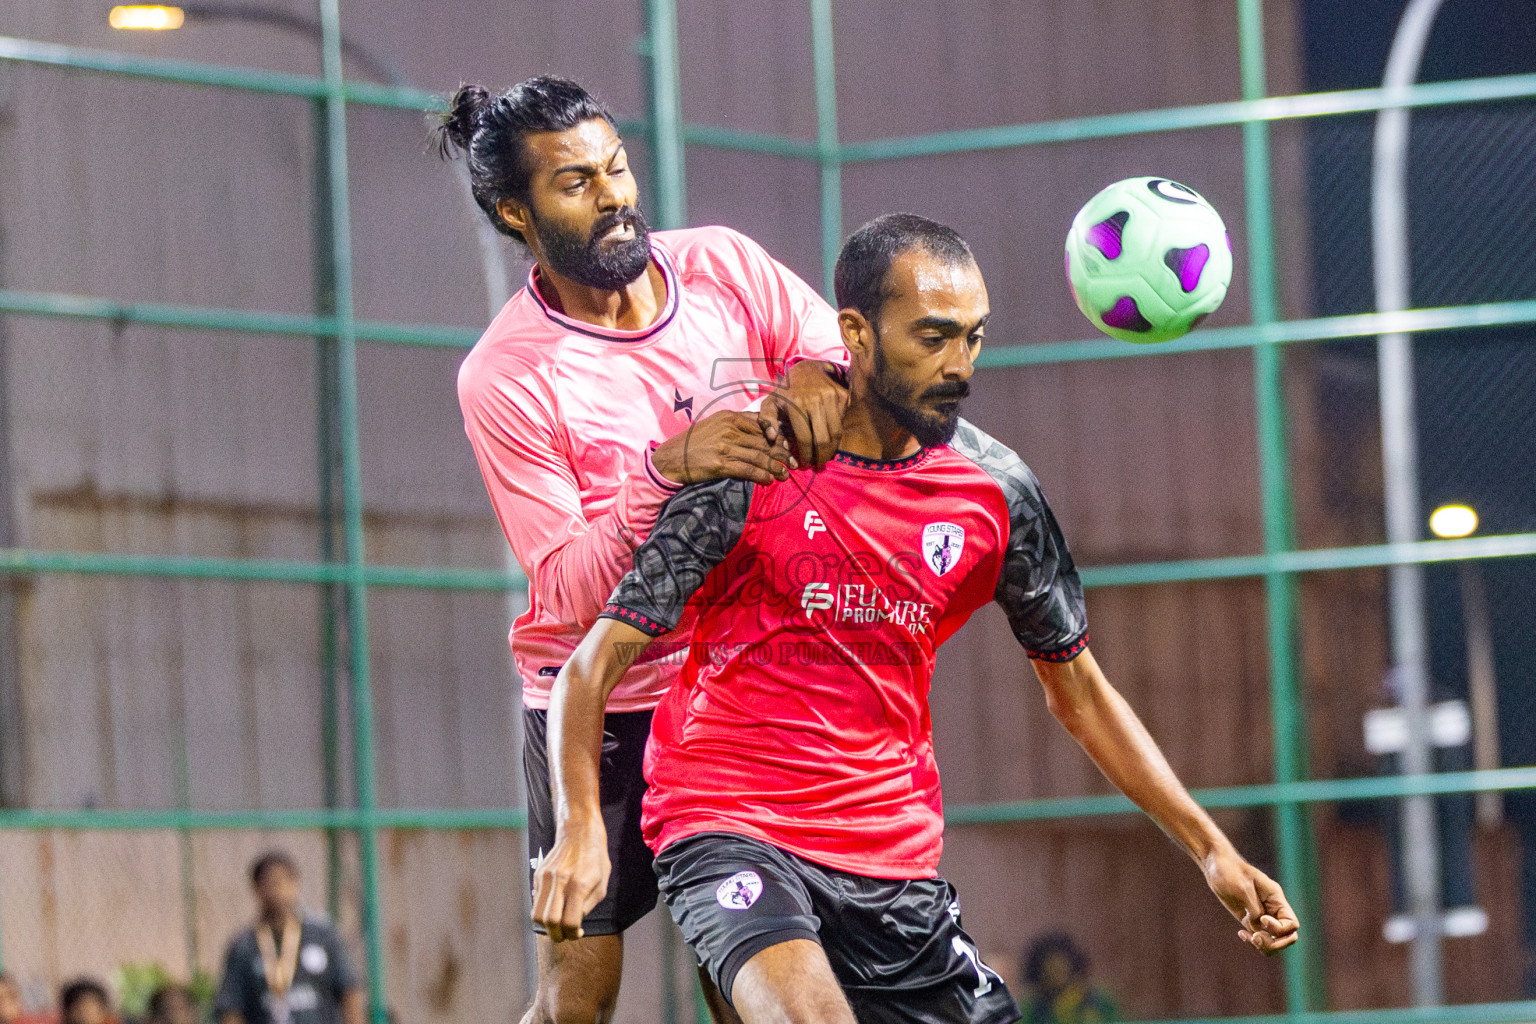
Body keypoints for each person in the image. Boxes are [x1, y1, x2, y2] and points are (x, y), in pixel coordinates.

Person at [533, 214, 1300, 1023]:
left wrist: (1213, 850)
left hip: (892, 861)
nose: (959, 366)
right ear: (855, 335)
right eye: (933, 338)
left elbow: (1079, 690)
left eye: (973, 338)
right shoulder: (755, 466)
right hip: (728, 823)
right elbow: (590, 667)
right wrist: (580, 829)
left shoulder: (995, 492)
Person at [437, 75, 848, 1023]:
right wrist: (666, 467)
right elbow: (567, 589)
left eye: (617, 166)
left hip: (735, 689)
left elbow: (831, 356)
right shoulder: (505, 375)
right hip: (602, 706)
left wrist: (821, 387)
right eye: (576, 182)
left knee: (749, 967)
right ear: (515, 210)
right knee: (581, 994)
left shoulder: (723, 267)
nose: (616, 193)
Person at [214, 851, 364, 1024]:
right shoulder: (243, 946)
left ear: (295, 883)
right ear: (256, 888)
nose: (277, 890)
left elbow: (350, 992)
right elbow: (232, 1008)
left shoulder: (323, 936)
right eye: (269, 883)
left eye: (283, 882)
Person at [1019, 934, 1116, 1024]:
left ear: (1072, 965)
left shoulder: (1098, 1000)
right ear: (1039, 973)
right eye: (1050, 968)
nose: (1055, 973)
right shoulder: (1032, 1010)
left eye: (1060, 966)